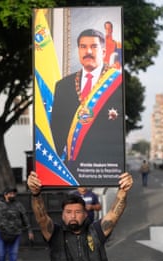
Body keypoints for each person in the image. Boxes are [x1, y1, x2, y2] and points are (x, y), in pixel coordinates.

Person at [27, 171, 133, 261]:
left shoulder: (96, 231)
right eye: (68, 212)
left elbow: (114, 214)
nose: (73, 216)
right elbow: (41, 218)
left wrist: (123, 191)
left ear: (85, 214)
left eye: (78, 212)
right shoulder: (55, 234)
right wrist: (36, 194)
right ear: (62, 214)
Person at [50, 28, 123, 181]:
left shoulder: (118, 83)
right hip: (70, 168)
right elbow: (56, 130)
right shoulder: (62, 86)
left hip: (104, 168)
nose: (88, 51)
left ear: (103, 52)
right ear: (78, 51)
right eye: (83, 47)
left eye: (93, 46)